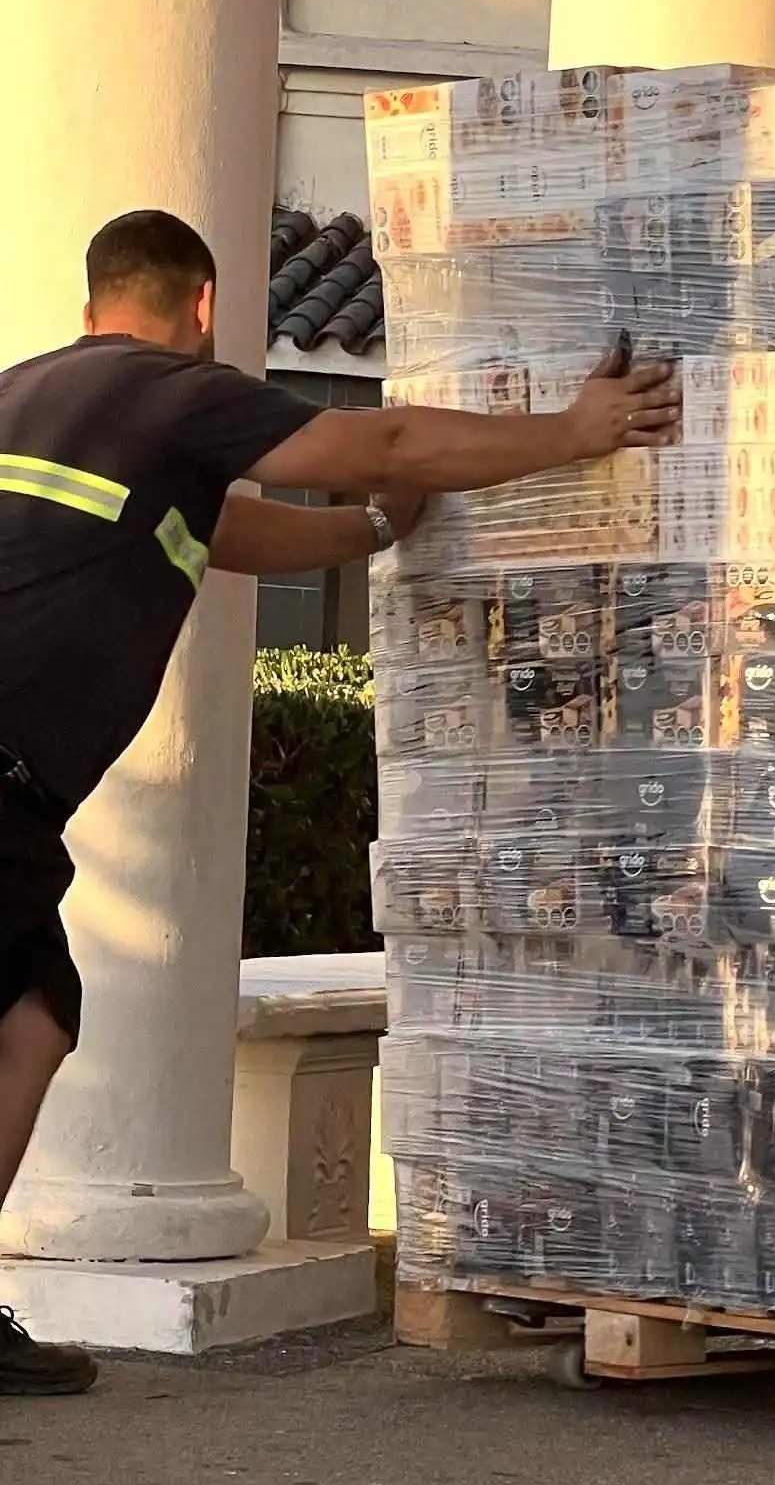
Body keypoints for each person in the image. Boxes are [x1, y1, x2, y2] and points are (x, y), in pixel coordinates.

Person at [0, 209, 680, 1395]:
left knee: (31, 1016)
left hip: (13, 788)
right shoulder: (172, 392)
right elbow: (387, 436)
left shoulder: (31, 397)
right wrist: (577, 431)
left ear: (91, 297)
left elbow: (221, 531)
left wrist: (369, 531)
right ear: (205, 306)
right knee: (29, 1027)